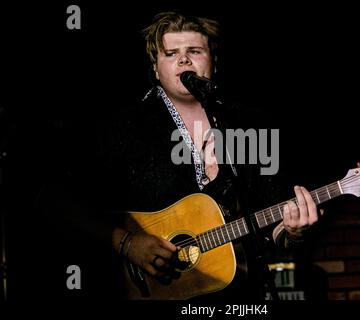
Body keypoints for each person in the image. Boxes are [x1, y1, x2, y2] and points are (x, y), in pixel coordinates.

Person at [34, 11, 322, 301]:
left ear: (214, 61)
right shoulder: (122, 128)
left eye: (194, 51)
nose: (184, 60)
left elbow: (273, 221)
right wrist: (126, 243)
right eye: (172, 53)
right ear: (156, 70)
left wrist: (293, 231)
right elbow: (54, 199)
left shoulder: (249, 124)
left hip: (238, 296)